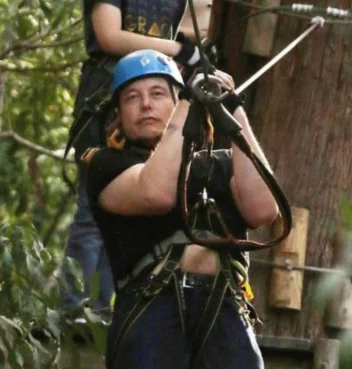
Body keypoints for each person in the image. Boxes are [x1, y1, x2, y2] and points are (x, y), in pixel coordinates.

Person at [85, 49, 279, 369]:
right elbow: (156, 193)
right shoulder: (108, 166)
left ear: (174, 101)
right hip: (151, 308)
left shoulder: (221, 163)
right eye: (133, 97)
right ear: (118, 113)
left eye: (158, 93)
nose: (146, 104)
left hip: (224, 306)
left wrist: (232, 108)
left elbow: (263, 210)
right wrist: (188, 104)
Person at [62, 0, 212, 315]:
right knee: (92, 213)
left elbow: (193, 25)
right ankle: (77, 311)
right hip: (107, 104)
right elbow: (109, 35)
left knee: (140, 206)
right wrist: (178, 50)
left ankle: (105, 310)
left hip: (155, 111)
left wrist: (195, 53)